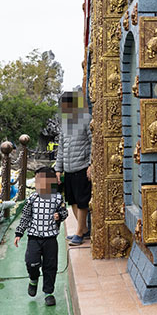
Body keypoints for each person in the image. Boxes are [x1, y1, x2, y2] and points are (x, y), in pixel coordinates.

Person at [14, 166, 68, 306]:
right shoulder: (32, 198)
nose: (38, 184)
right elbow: (25, 217)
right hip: (34, 237)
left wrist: (59, 216)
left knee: (50, 266)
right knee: (31, 262)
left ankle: (48, 292)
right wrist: (19, 232)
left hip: (50, 238)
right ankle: (33, 278)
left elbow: (64, 212)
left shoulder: (57, 198)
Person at [54, 90, 92, 246]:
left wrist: (92, 164)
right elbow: (61, 149)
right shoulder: (65, 124)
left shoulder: (86, 120)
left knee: (82, 201)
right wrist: (58, 168)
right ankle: (83, 229)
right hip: (69, 169)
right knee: (73, 201)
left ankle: (79, 232)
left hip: (82, 167)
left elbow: (93, 143)